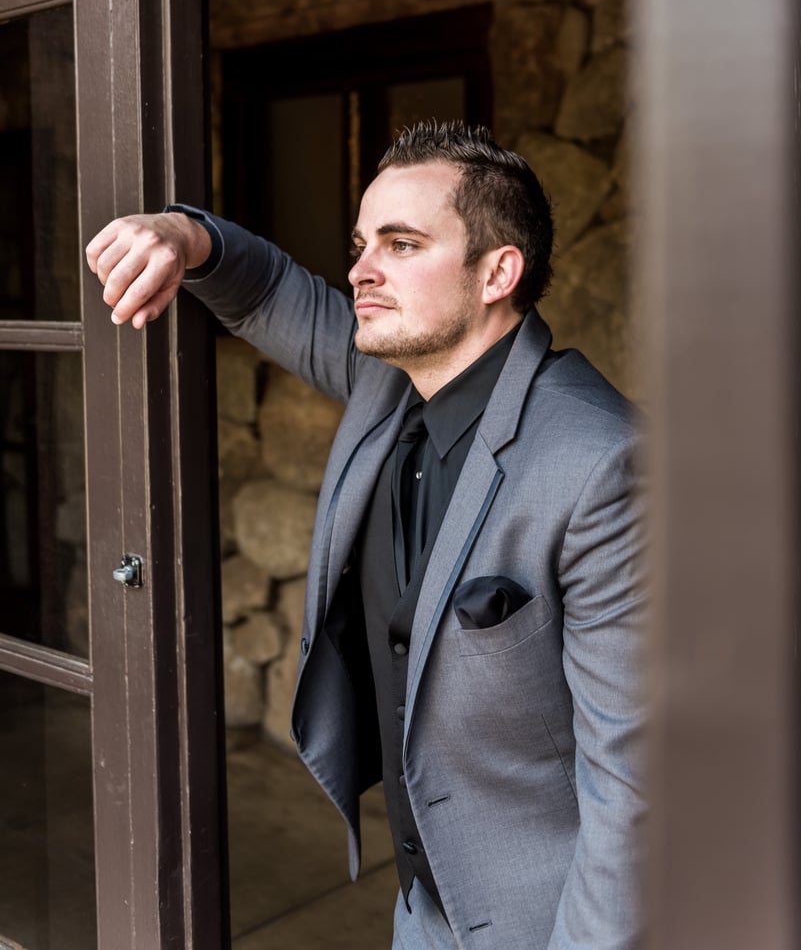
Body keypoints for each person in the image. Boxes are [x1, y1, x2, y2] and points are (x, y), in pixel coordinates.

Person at [86, 120, 646, 950]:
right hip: (422, 908)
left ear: (497, 272)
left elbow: (639, 790)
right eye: (360, 244)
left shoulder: (606, 464)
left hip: (547, 924)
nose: (359, 270)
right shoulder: (386, 382)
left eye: (401, 243)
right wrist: (178, 232)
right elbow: (265, 290)